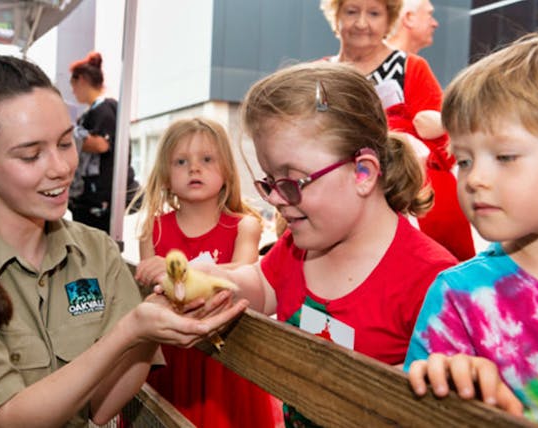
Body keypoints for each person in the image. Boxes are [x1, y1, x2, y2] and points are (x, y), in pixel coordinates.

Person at [0, 54, 248, 427]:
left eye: (64, 143)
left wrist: (144, 333)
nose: (61, 168)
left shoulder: (96, 251)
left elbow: (100, 409)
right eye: (31, 155)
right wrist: (130, 331)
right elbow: (9, 421)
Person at [197, 61, 457, 427]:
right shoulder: (295, 247)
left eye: (293, 181)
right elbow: (262, 286)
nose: (276, 199)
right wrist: (214, 281)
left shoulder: (431, 281)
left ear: (363, 173)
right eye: (270, 181)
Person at [404, 33, 538, 425]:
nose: (474, 179)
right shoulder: (459, 297)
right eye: (463, 160)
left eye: (504, 156)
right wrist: (450, 388)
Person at [132, 117, 277, 427]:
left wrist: (181, 273)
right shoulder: (153, 230)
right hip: (173, 357)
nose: (194, 168)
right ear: (166, 177)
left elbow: (244, 273)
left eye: (207, 159)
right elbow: (152, 292)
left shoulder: (244, 226)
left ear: (226, 170)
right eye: (181, 161)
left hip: (227, 361)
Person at [319, 0, 475, 261]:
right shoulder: (320, 73)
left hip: (415, 204)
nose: (361, 23)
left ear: (389, 20)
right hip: (342, 204)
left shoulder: (410, 68)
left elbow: (448, 147)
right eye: (351, 11)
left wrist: (421, 134)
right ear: (336, 16)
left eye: (374, 13)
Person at [68, 51, 140, 234]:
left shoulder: (104, 108)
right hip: (91, 200)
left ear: (82, 80)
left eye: (73, 84)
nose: (72, 90)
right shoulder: (96, 110)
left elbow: (101, 144)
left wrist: (69, 136)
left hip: (100, 201)